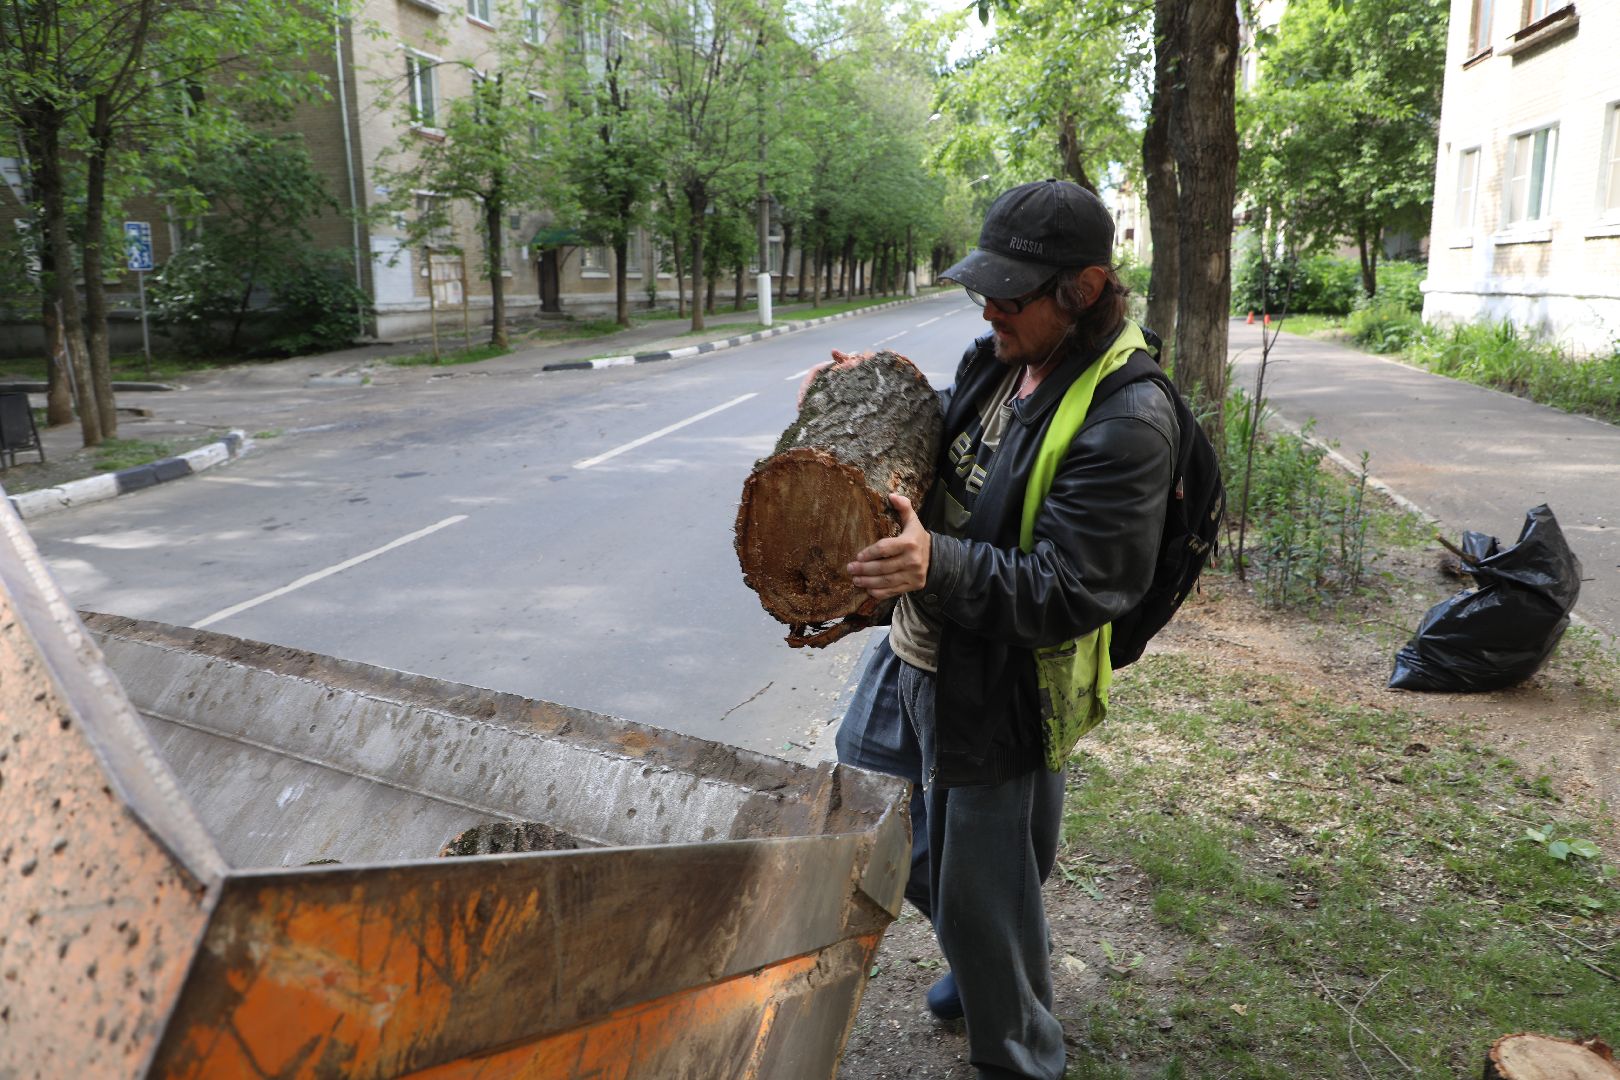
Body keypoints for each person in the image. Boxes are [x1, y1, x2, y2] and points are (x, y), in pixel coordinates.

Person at [834, 179, 1176, 1079]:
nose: (989, 310)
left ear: (1087, 289)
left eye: (1010, 294)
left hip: (1006, 679)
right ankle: (983, 951)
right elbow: (942, 444)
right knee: (874, 819)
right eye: (983, 289)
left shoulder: (1128, 418)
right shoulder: (999, 356)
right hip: (921, 642)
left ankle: (1020, 1049)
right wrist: (857, 401)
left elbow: (1075, 584)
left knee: (987, 886)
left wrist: (934, 565)